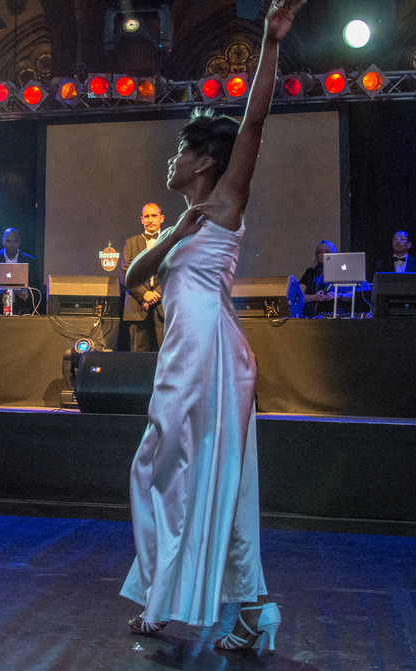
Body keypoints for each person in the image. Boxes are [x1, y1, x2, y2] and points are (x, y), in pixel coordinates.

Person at [118, 0, 304, 652]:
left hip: (209, 349)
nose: (171, 159)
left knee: (169, 468)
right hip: (191, 348)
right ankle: (241, 605)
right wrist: (174, 233)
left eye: (180, 150)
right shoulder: (183, 223)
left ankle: (182, 598)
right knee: (198, 474)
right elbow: (130, 279)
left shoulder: (227, 201)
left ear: (202, 161)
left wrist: (271, 42)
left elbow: (253, 123)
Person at [122, 203, 166, 351]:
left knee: (166, 355)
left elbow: (175, 272)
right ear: (142, 219)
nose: (150, 220)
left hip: (164, 306)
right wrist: (144, 294)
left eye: (154, 216)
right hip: (137, 306)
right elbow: (126, 274)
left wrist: (156, 294)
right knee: (137, 356)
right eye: (147, 216)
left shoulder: (171, 242)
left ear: (161, 218)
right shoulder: (131, 243)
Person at [0, 227, 39, 314]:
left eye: (14, 241)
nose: (11, 245)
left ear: (19, 242)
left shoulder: (29, 260)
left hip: (20, 306)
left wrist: (27, 293)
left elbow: (35, 283)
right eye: (8, 241)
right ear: (3, 241)